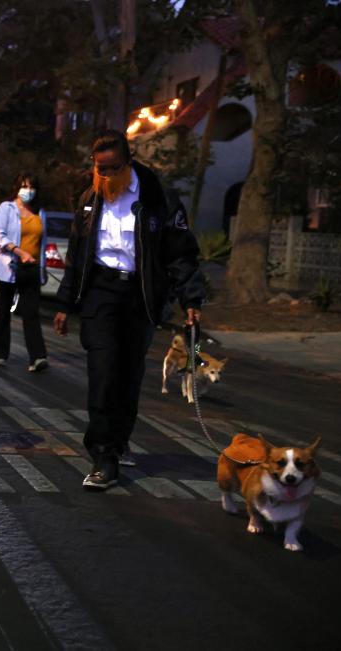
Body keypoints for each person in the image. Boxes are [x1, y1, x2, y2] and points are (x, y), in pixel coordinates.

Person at [53, 129, 205, 490]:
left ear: (128, 162)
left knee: (128, 377)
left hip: (139, 297)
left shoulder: (158, 197)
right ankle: (102, 456)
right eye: (99, 168)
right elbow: (76, 257)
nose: (104, 176)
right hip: (100, 295)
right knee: (103, 374)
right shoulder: (89, 199)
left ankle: (118, 443)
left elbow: (181, 252)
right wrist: (64, 304)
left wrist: (192, 300)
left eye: (112, 168)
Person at [0, 173, 49, 371]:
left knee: (31, 313)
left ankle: (38, 357)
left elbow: (42, 243)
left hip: (31, 269)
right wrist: (19, 252)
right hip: (9, 266)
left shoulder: (39, 212)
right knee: (3, 311)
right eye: (24, 186)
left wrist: (42, 267)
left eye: (32, 187)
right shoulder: (7, 209)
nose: (28, 191)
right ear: (16, 187)